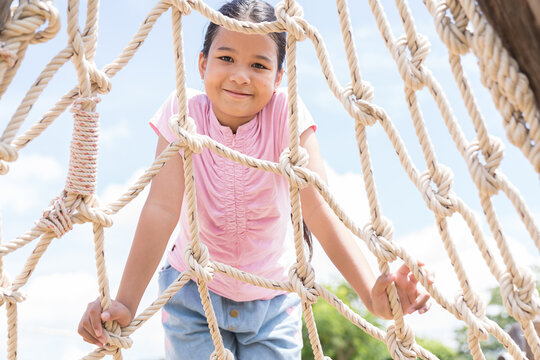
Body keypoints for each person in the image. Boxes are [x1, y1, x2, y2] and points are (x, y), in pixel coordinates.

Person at [78, 0, 432, 358]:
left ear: (279, 78)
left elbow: (320, 210)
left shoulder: (285, 116)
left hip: (272, 303)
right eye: (226, 58)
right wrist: (125, 301)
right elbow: (160, 209)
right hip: (192, 288)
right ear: (202, 64)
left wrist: (372, 294)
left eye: (259, 65)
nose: (240, 75)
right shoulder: (183, 114)